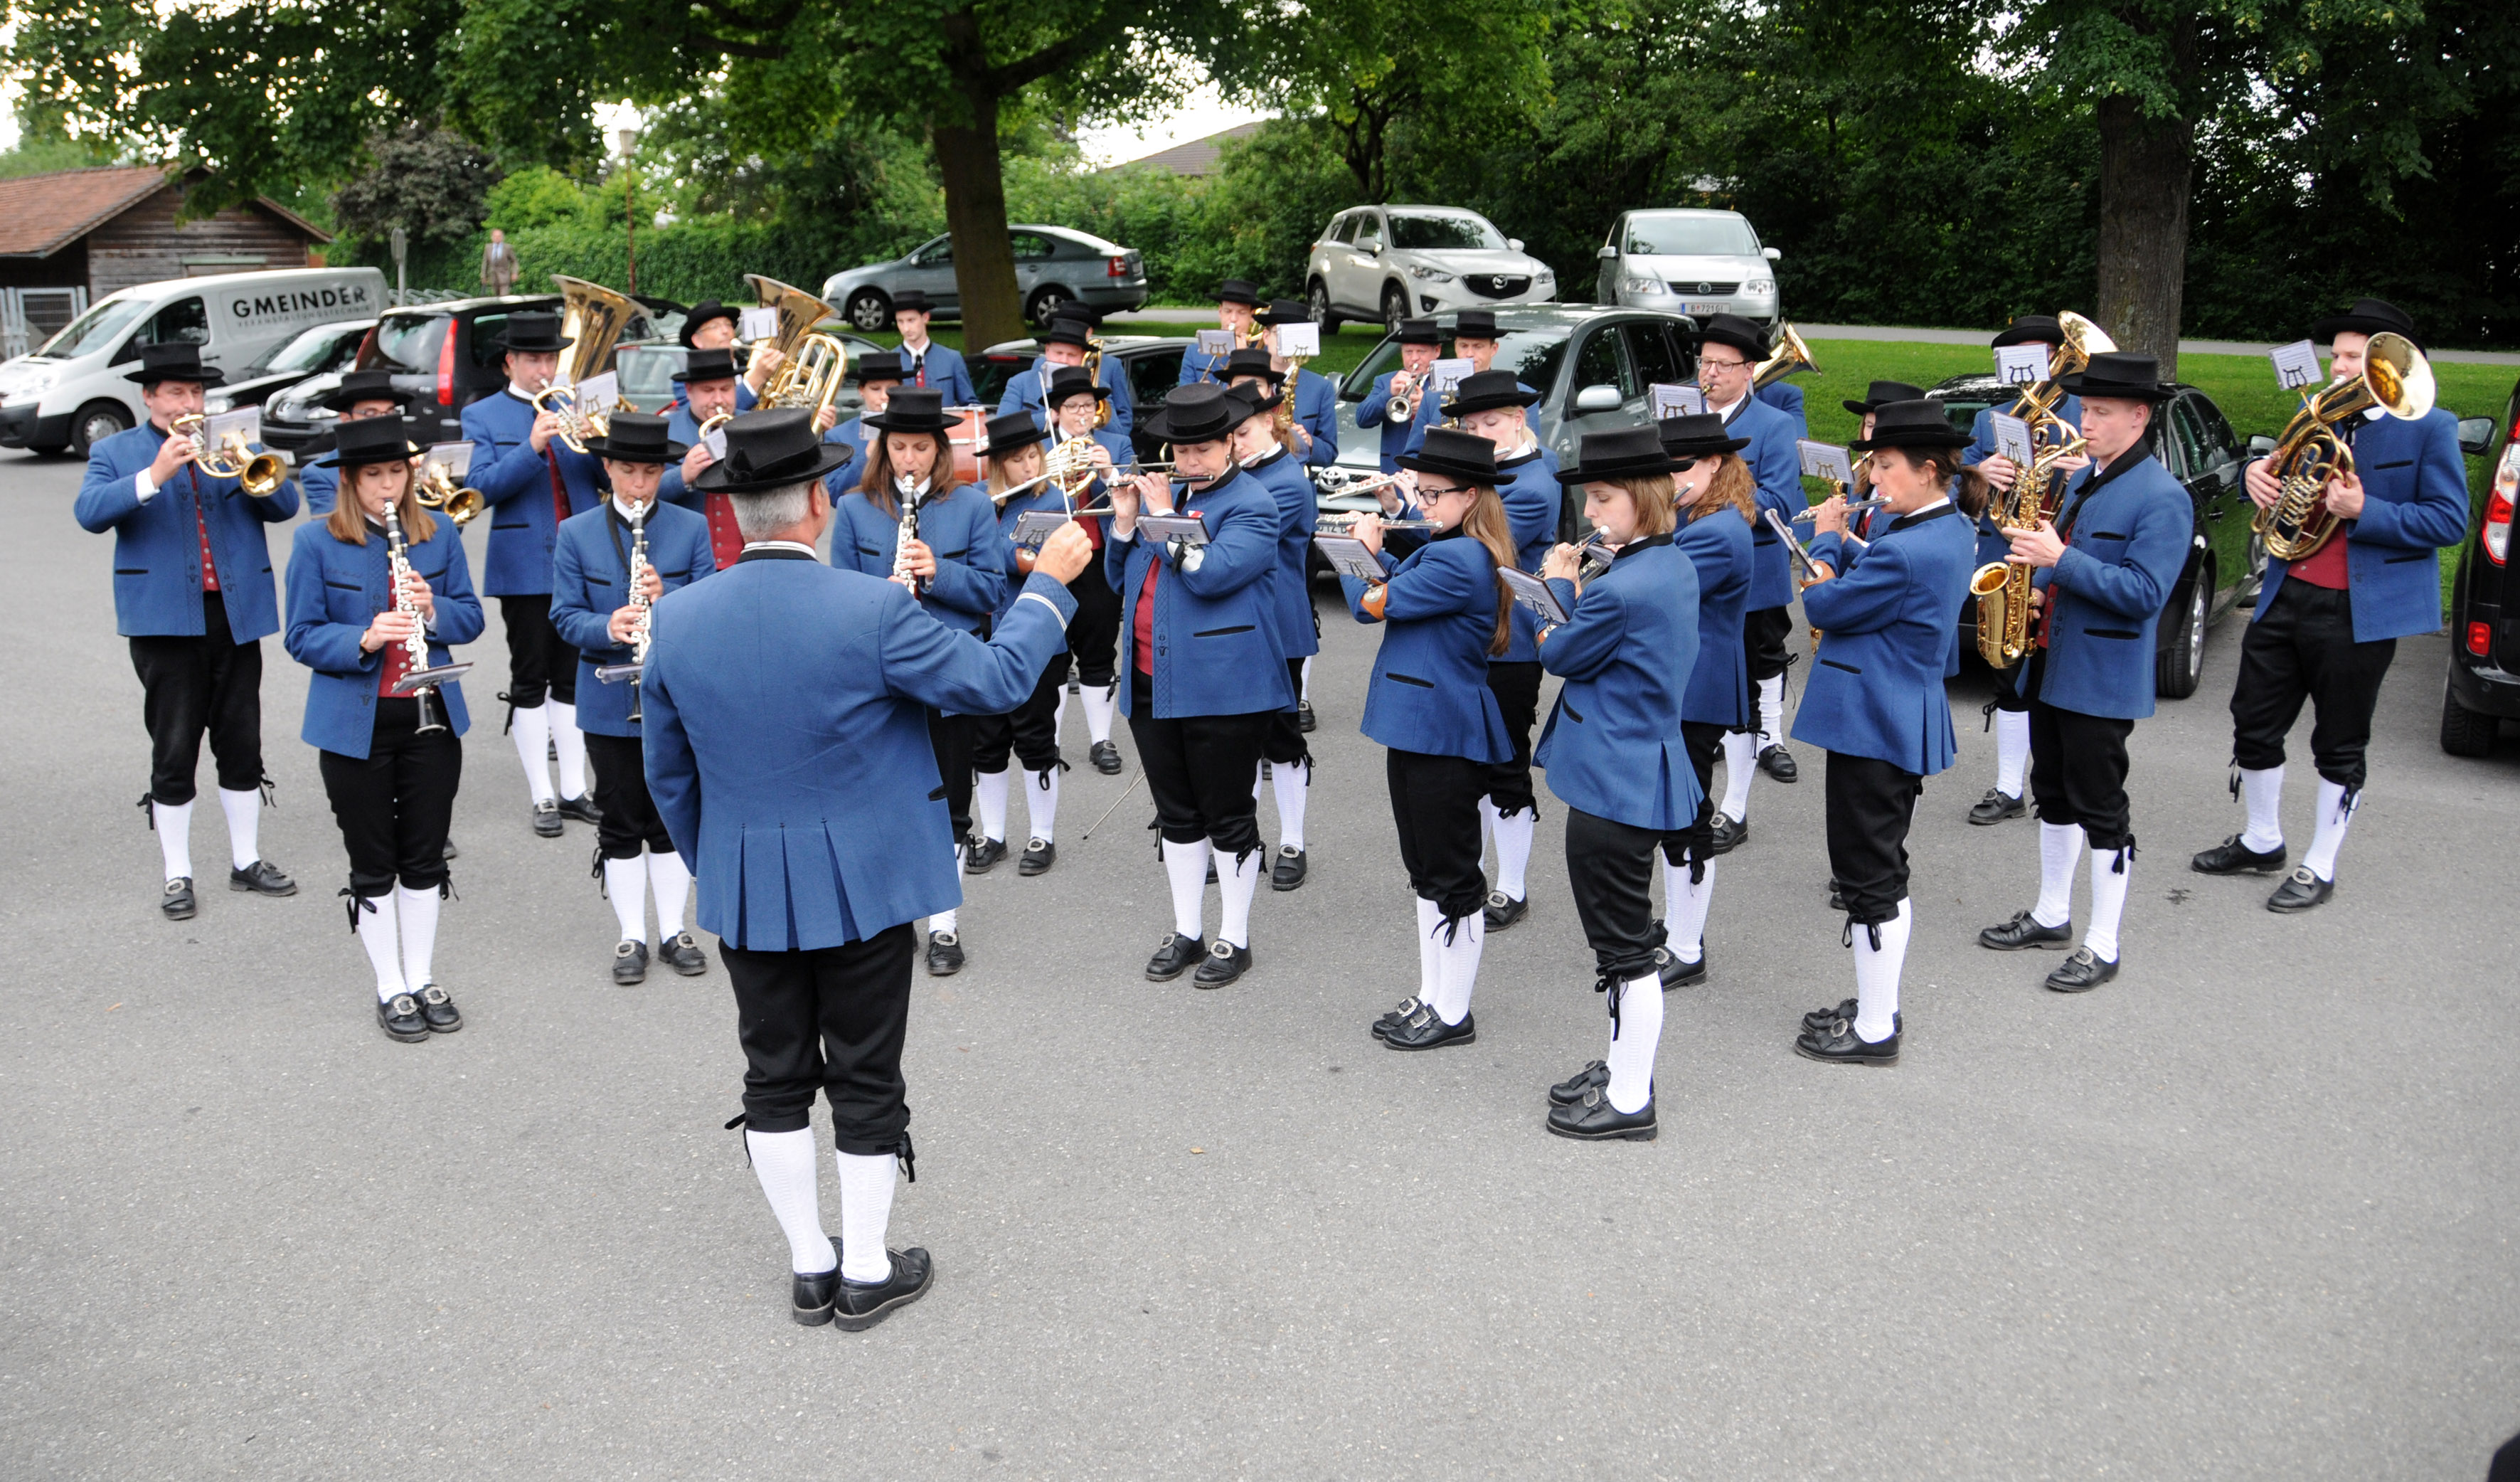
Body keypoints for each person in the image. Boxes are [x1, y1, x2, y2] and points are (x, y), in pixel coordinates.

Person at [643, 406, 1095, 1330]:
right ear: (817, 502)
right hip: (865, 879)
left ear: (737, 508)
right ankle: (865, 1265)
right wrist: (1048, 585)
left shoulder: (675, 618)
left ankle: (810, 1265)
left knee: (772, 1075)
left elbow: (668, 773)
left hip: (745, 878)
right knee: (865, 1072)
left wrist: (722, 861)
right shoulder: (872, 608)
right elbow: (998, 682)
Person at [2190, 297, 2470, 912]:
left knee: (2339, 742)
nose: (2339, 367)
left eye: (2352, 357)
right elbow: (2275, 477)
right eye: (2337, 355)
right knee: (2252, 722)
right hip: (2285, 591)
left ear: (2389, 364)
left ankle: (2320, 863)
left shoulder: (2430, 426)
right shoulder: (2315, 413)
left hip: (2358, 610)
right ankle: (2262, 839)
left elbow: (2449, 520)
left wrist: (2365, 510)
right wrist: (2254, 476)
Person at [1973, 355, 2191, 993]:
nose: (2085, 422)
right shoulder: (2084, 480)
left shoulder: (2162, 496)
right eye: (2086, 409)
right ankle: (2051, 914)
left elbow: (2145, 593)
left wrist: (2060, 560)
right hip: (2052, 662)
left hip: (2102, 675)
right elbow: (2062, 561)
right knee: (2053, 792)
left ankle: (2103, 943)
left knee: (2102, 808)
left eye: (2100, 412)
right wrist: (2039, 587)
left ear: (2139, 416)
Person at [74, 342, 302, 920]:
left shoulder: (232, 444)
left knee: (241, 741)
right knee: (174, 746)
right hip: (163, 621)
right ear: (149, 397)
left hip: (236, 612)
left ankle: (246, 859)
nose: (188, 403)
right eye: (176, 392)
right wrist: (155, 474)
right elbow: (90, 513)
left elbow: (285, 506)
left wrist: (249, 460)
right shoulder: (115, 451)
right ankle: (177, 872)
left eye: (196, 392)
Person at [1786, 401, 1981, 1063]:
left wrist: (1824, 539)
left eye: (1886, 465)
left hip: (1873, 719)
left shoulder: (1906, 549)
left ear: (1927, 470)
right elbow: (1882, 573)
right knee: (1881, 867)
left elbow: (1824, 602)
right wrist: (1850, 542)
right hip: (1898, 710)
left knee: (1869, 876)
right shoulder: (1948, 526)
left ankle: (1874, 1029)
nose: (1872, 478)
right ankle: (1878, 1003)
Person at [282, 414, 483, 1041]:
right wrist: (365, 637)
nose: (389, 486)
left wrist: (433, 608)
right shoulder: (315, 542)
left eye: (397, 472)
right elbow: (300, 635)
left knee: (424, 855)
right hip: (354, 724)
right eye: (374, 474)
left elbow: (471, 618)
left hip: (432, 719)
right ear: (350, 479)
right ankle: (390, 984)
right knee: (373, 861)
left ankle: (421, 975)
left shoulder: (438, 534)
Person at [1529, 427, 1699, 1140]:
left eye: (1603, 498)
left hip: (1615, 780)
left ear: (1645, 498)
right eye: (1589, 499)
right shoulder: (1667, 561)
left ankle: (1630, 1099)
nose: (1592, 512)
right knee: (1623, 945)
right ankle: (1622, 1065)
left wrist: (1558, 587)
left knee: (1625, 953)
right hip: (1638, 767)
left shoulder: (1623, 587)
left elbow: (1560, 653)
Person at [1105, 382, 1292, 987]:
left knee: (1227, 813)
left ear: (1229, 443)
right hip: (1149, 678)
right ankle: (1187, 929)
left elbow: (1212, 575)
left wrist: (1161, 519)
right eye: (1180, 451)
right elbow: (1119, 580)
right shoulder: (1174, 499)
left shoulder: (1254, 503)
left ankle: (1234, 937)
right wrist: (1126, 522)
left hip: (1223, 685)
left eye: (1202, 450)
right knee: (1176, 814)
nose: (1189, 462)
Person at [1341, 429, 1517, 1050]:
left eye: (1434, 493)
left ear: (1471, 496)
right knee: (1424, 869)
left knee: (1451, 873)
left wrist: (1358, 552)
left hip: (1441, 726)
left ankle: (1453, 1009)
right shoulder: (1447, 546)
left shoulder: (1461, 557)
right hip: (1419, 723)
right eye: (1421, 491)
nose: (1422, 503)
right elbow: (1400, 583)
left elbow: (1370, 604)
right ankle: (1431, 992)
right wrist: (1380, 549)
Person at [830, 388, 1009, 975]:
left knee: (949, 803)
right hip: (878, 680)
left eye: (921, 448)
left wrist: (938, 572)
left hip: (946, 673)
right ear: (883, 449)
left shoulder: (972, 505)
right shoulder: (855, 508)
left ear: (940, 451)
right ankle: (896, 913)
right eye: (899, 447)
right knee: (883, 802)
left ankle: (944, 923)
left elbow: (992, 590)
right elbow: (835, 595)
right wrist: (874, 598)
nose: (909, 459)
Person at [549, 412, 717, 985]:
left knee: (670, 816)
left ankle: (673, 929)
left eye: (649, 472)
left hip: (672, 694)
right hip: (607, 696)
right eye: (627, 471)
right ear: (608, 468)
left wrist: (667, 598)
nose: (639, 484)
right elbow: (564, 616)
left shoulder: (690, 527)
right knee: (620, 818)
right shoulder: (576, 533)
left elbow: (711, 605)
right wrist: (607, 626)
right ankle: (632, 935)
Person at [458, 309, 606, 837]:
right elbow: (479, 490)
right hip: (523, 566)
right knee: (530, 678)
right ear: (510, 363)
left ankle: (573, 790)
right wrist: (533, 447)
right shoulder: (482, 415)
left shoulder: (574, 405)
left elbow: (605, 478)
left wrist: (600, 441)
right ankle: (541, 795)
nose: (544, 369)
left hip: (584, 560)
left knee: (572, 678)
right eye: (534, 360)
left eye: (550, 359)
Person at [1422, 370, 1558, 931]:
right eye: (1471, 426)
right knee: (1468, 764)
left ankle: (1512, 886)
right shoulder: (1490, 476)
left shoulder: (1532, 484)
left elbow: (1478, 549)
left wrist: (1422, 509)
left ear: (1519, 419)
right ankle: (1472, 871)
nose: (1480, 433)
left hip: (1510, 645)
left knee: (1504, 766)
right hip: (1471, 640)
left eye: (1491, 422)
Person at [1960, 317, 2085, 826]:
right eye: (2018, 359)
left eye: (2038, 356)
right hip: (2004, 556)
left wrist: (2086, 473)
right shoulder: (1990, 419)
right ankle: (2010, 785)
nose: (2028, 369)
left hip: (2061, 558)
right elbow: (1956, 491)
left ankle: (2063, 785)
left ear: (2058, 357)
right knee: (2007, 673)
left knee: (2057, 679)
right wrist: (1978, 473)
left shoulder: (2085, 415)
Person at [1694, 313, 1806, 851]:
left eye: (1721, 364)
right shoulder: (1683, 417)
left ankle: (1735, 807)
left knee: (1747, 684)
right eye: (1705, 363)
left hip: (1752, 575)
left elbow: (1781, 501)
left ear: (1748, 370)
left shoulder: (1774, 425)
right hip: (1691, 572)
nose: (1710, 373)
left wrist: (1714, 498)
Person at [1652, 413, 1756, 986]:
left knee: (1686, 815)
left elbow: (1664, 593)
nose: (1670, 480)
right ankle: (1675, 925)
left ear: (1714, 464)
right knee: (1672, 811)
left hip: (1698, 685)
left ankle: (1687, 945)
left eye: (1680, 468)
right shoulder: (1699, 516)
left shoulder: (1715, 531)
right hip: (1689, 679)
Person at [1219, 373, 1320, 889]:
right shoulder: (1241, 476)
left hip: (1279, 623)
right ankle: (1242, 839)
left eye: (1242, 433)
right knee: (1240, 740)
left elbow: (1231, 542)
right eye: (1228, 437)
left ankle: (1293, 841)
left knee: (1281, 738)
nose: (1234, 444)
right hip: (1237, 622)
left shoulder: (1285, 480)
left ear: (1269, 422)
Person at [660, 346, 772, 571]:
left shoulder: (756, 426)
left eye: (726, 389)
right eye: (708, 390)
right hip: (688, 560)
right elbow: (640, 494)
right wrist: (682, 475)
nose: (719, 399)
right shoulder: (665, 430)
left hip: (751, 559)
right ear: (689, 391)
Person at [1401, 309, 1538, 457]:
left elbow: (1532, 450)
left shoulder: (1521, 395)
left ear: (1494, 349)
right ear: (1455, 347)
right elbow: (1412, 453)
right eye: (1464, 346)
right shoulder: (1432, 396)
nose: (1470, 354)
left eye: (1478, 346)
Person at [299, 369, 418, 516]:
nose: (383, 420)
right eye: (371, 413)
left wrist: (428, 487)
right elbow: (329, 526)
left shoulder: (410, 458)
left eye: (389, 412)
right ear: (346, 419)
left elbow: (434, 522)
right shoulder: (319, 474)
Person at [996, 315, 1132, 435]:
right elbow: (1001, 429)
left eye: (1071, 355)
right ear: (1047, 350)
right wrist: (1047, 417)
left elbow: (1118, 434)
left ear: (1083, 357)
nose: (1064, 360)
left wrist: (1090, 412)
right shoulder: (1021, 383)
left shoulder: (1099, 386)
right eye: (1059, 353)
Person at [1254, 299, 1340, 469]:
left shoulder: (1320, 387)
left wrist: (1309, 441)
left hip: (1297, 476)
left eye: (1293, 336)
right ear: (1266, 337)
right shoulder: (1248, 381)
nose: (1285, 343)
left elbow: (1329, 454)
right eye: (1280, 334)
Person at [1353, 318, 1442, 474]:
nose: (1414, 358)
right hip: (1395, 468)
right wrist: (1389, 394)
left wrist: (1427, 408)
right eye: (1408, 352)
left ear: (1437, 351)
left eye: (1421, 352)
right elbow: (1362, 419)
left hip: (1433, 467)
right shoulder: (1386, 381)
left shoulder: (1446, 383)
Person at [888, 290, 977, 404]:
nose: (906, 328)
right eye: (900, 322)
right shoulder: (890, 361)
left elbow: (970, 405)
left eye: (911, 320)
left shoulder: (951, 359)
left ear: (925, 318)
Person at [1179, 278, 1264, 385]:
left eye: (1241, 313)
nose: (1233, 319)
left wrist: (1243, 357)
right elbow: (1183, 393)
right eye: (1228, 311)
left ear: (1252, 316)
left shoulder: (1264, 354)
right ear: (1220, 312)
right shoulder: (1193, 352)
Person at [479, 229, 516, 297]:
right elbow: (485, 263)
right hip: (493, 277)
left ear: (502, 238)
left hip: (504, 277)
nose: (497, 238)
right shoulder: (488, 248)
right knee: (496, 297)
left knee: (504, 297)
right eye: (495, 236)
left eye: (499, 236)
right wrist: (483, 276)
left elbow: (514, 261)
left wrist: (514, 273)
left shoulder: (508, 248)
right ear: (492, 238)